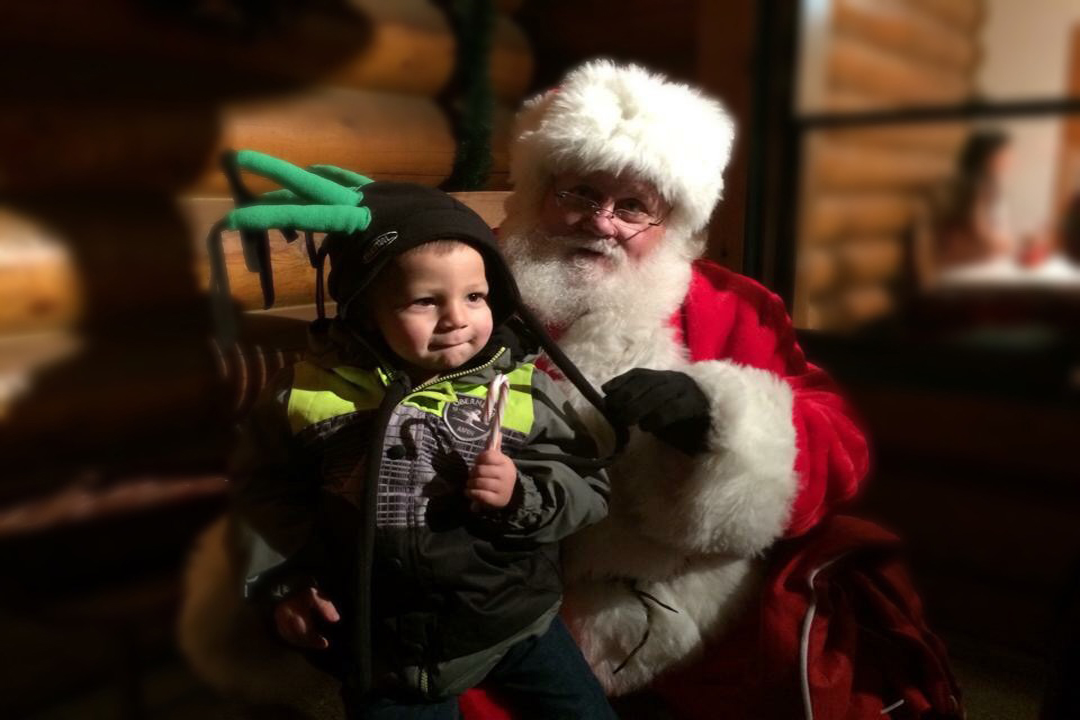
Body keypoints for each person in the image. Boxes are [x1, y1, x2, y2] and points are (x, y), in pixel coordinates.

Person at [477, 59, 872, 716]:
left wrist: (719, 420)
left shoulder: (735, 308)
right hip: (483, 598)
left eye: (634, 206)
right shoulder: (462, 281)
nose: (602, 222)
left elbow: (840, 449)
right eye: (579, 193)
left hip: (668, 613)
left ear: (672, 225)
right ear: (538, 192)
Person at [228, 179, 617, 719]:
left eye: (475, 296)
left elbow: (588, 485)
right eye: (425, 300)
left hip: (513, 619)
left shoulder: (523, 389)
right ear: (366, 310)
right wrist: (283, 584)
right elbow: (261, 496)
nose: (457, 317)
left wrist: (521, 494)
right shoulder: (306, 396)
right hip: (383, 648)